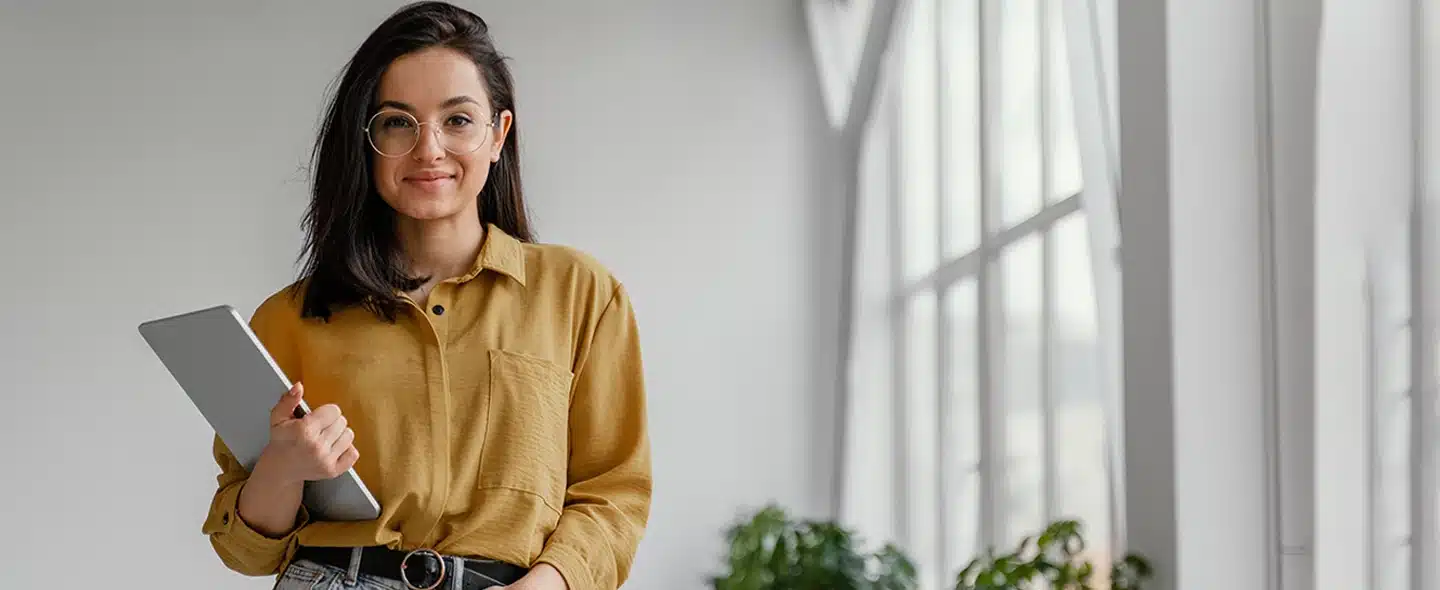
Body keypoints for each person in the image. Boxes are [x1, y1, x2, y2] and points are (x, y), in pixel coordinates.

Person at [200, 3, 652, 589]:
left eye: (458, 120)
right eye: (397, 122)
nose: (429, 149)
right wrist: (284, 467)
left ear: (498, 135)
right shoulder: (290, 319)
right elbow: (246, 551)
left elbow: (614, 493)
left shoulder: (581, 295)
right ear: (367, 141)